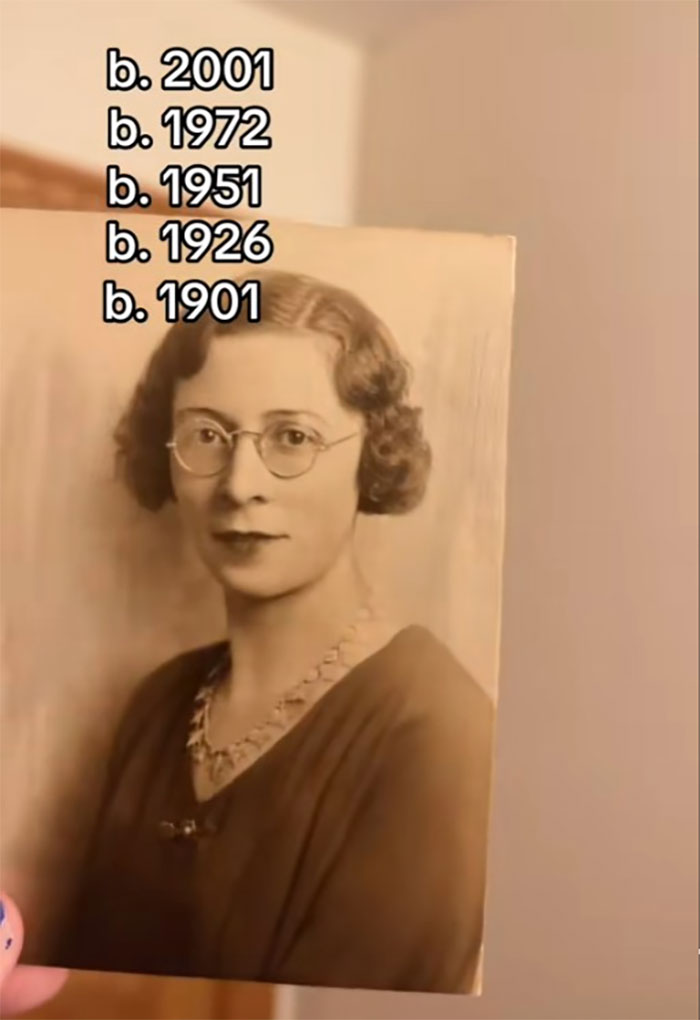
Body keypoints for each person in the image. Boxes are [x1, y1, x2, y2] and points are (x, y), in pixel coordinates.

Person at [53, 271, 495, 994]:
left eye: (293, 436)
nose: (238, 483)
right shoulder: (156, 708)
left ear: (371, 452)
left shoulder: (439, 732)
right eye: (207, 435)